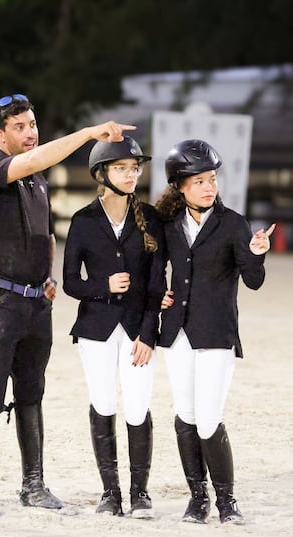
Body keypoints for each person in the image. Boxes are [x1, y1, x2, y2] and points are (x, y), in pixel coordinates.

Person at [0, 92, 135, 512]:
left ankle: (33, 485)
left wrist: (47, 277)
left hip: (34, 303)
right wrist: (88, 133)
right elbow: (35, 160)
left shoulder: (36, 182)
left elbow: (45, 235)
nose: (29, 132)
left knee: (31, 393)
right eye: (19, 127)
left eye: (32, 124)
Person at [155, 139, 274, 525]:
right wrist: (160, 298)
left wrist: (257, 252)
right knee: (185, 416)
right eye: (200, 181)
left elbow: (253, 282)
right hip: (176, 336)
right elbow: (155, 275)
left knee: (208, 419)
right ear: (180, 186)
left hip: (217, 334)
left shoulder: (234, 224)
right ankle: (197, 499)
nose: (209, 187)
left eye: (212, 179)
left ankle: (227, 501)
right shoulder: (169, 226)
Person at [62, 133, 166, 518]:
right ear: (101, 173)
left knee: (137, 406)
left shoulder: (152, 218)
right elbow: (71, 281)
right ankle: (111, 492)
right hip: (96, 329)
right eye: (121, 168)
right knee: (103, 404)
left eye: (134, 168)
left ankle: (139, 492)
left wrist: (149, 332)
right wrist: (102, 287)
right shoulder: (83, 221)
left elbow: (159, 283)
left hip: (138, 328)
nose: (130, 174)